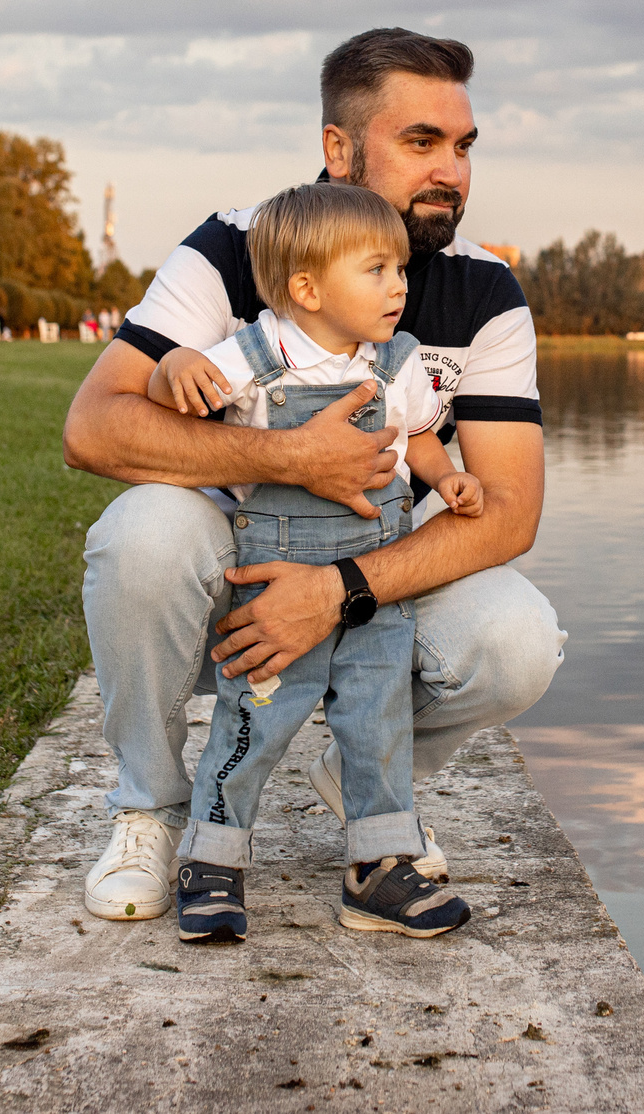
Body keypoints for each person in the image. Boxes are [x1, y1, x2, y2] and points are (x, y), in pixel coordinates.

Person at [64, 27, 560, 923]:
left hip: (368, 558)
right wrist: (286, 456)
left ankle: (371, 777)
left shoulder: (485, 292)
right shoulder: (234, 249)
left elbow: (508, 511)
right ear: (339, 148)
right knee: (141, 534)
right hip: (237, 558)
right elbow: (93, 427)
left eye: (463, 145)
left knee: (519, 639)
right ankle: (151, 808)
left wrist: (335, 590)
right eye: (421, 142)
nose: (452, 169)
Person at [151, 182, 484, 942]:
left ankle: (379, 867)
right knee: (254, 718)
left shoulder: (397, 360)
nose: (400, 286)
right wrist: (169, 367)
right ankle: (214, 856)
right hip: (276, 578)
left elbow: (418, 435)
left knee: (378, 720)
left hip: (375, 582)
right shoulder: (256, 354)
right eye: (377, 270)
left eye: (400, 269)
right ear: (306, 287)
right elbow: (180, 398)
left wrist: (445, 478)